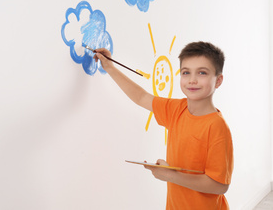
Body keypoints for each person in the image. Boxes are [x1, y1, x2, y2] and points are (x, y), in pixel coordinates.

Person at [94, 41, 233, 210]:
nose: (192, 80)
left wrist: (170, 175)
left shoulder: (217, 126)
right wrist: (109, 66)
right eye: (186, 72)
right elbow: (141, 97)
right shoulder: (177, 109)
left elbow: (219, 185)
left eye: (202, 73)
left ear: (218, 81)